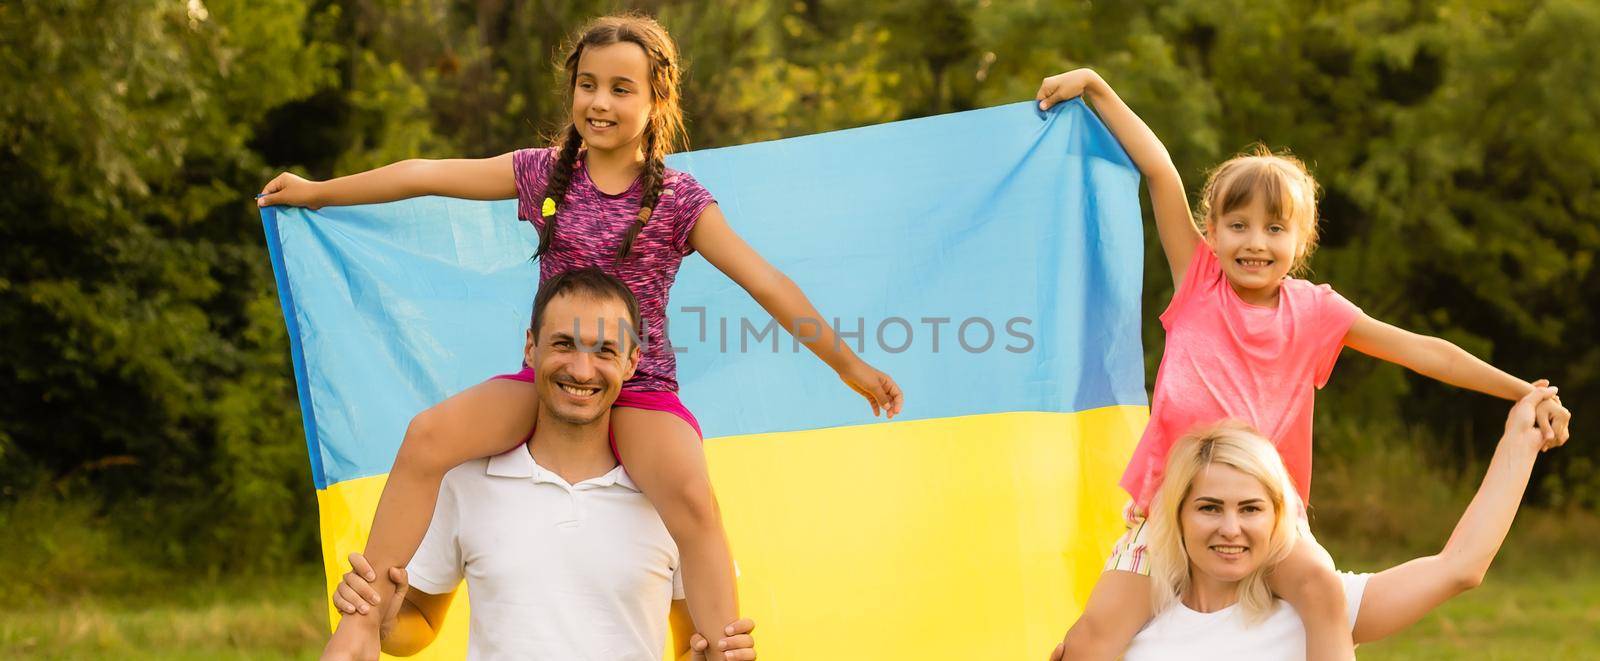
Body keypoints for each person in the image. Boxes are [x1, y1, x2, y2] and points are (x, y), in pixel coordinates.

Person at [259, 14, 902, 660]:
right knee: (427, 436)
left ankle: (717, 649)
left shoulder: (679, 200)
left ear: (657, 102)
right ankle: (363, 623)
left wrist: (846, 365)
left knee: (693, 500)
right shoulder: (547, 175)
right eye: (587, 84)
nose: (599, 102)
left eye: (622, 89)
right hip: (552, 379)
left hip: (639, 386)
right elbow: (428, 174)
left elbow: (765, 281)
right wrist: (320, 194)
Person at [1034, 68, 1572, 660]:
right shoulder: (1198, 283)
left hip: (1266, 508)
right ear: (1210, 232)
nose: (1254, 243)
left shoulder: (1316, 313)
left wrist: (1521, 389)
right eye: (1236, 226)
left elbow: (1423, 351)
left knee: (1320, 589)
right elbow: (1159, 168)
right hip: (1168, 502)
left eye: (1273, 229)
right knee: (1087, 641)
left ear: (1301, 239)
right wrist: (1098, 89)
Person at [330, 268, 756, 660]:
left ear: (631, 363)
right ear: (531, 347)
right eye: (563, 344)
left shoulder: (671, 494)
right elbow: (420, 621)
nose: (582, 370)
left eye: (605, 351)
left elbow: (690, 644)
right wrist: (384, 622)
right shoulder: (465, 478)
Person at [1049, 384, 1565, 660]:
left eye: (1251, 509)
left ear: (1279, 517)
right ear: (1177, 516)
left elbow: (1460, 567)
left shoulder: (1312, 610)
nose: (1231, 528)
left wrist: (1521, 440)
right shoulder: (1130, 629)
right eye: (1209, 507)